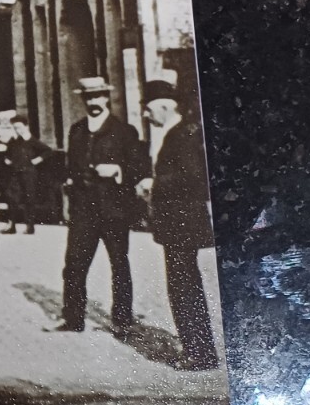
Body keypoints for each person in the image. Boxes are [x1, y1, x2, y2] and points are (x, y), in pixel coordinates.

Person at [52, 77, 149, 333]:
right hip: (83, 210)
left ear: (106, 97)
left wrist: (117, 170)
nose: (93, 101)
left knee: (119, 264)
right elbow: (70, 167)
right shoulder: (77, 130)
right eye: (88, 97)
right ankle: (73, 319)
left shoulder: (124, 131)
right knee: (74, 264)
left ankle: (122, 320)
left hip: (114, 209)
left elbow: (138, 168)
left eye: (97, 96)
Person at [136, 79, 219, 369]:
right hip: (179, 224)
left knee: (183, 288)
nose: (146, 115)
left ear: (164, 105)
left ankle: (199, 354)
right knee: (184, 286)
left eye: (148, 109)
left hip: (182, 224)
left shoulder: (182, 134)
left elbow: (194, 177)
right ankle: (197, 350)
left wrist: (154, 183)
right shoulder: (180, 132)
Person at [1, 115, 50, 234]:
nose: (17, 130)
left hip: (29, 173)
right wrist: (7, 159)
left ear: (26, 126)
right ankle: (12, 225)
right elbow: (7, 153)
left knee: (29, 198)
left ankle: (30, 225)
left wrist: (37, 160)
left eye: (19, 127)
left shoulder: (32, 140)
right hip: (15, 173)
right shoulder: (14, 141)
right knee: (12, 197)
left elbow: (47, 151)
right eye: (15, 127)